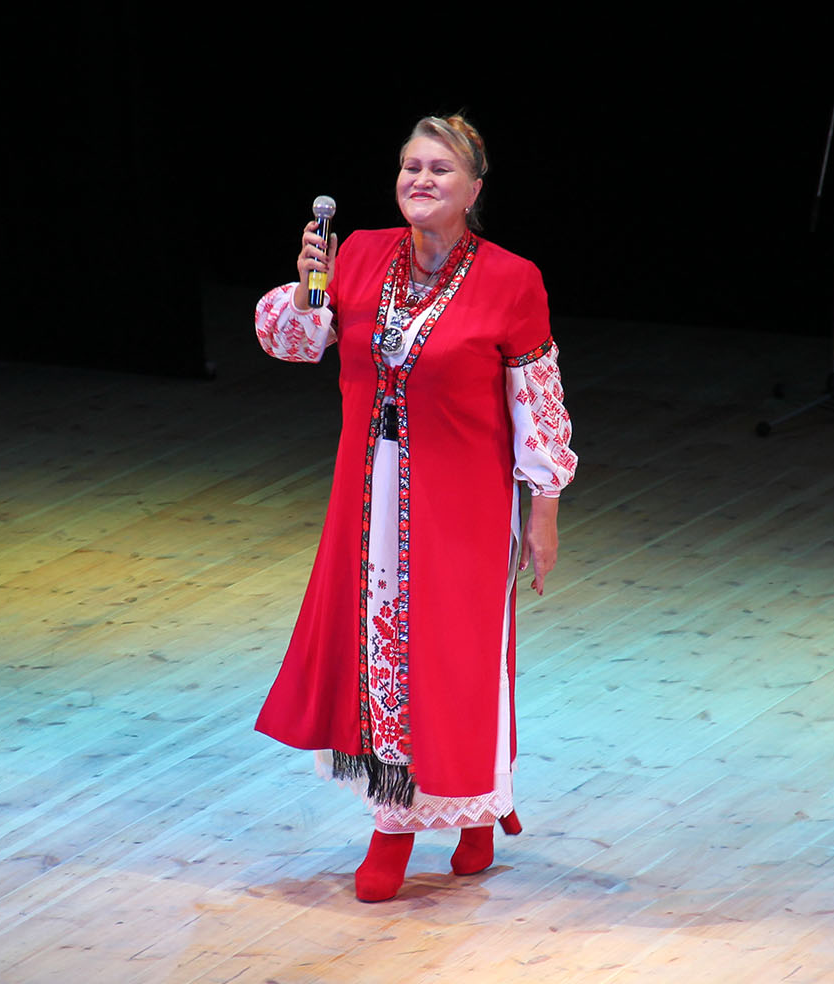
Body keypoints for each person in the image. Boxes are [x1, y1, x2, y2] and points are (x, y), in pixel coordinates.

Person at [253, 114, 576, 902]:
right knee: (382, 653)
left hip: (464, 501)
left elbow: (534, 395)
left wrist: (542, 508)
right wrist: (307, 285)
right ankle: (396, 822)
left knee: (459, 661)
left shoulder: (510, 278)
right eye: (411, 167)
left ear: (472, 188)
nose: (421, 180)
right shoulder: (361, 254)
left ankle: (472, 807)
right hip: (369, 498)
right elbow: (294, 344)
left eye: (439, 169)